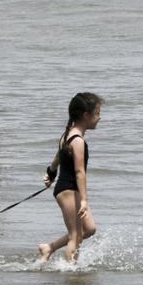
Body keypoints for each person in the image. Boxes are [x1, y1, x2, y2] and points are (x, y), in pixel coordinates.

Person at [38, 92, 102, 264]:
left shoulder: (67, 134)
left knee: (89, 229)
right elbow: (80, 172)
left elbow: (57, 157)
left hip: (66, 188)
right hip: (68, 190)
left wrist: (50, 173)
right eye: (97, 113)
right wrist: (84, 201)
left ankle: (49, 247)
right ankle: (71, 275)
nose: (100, 118)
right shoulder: (78, 141)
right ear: (86, 115)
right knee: (75, 237)